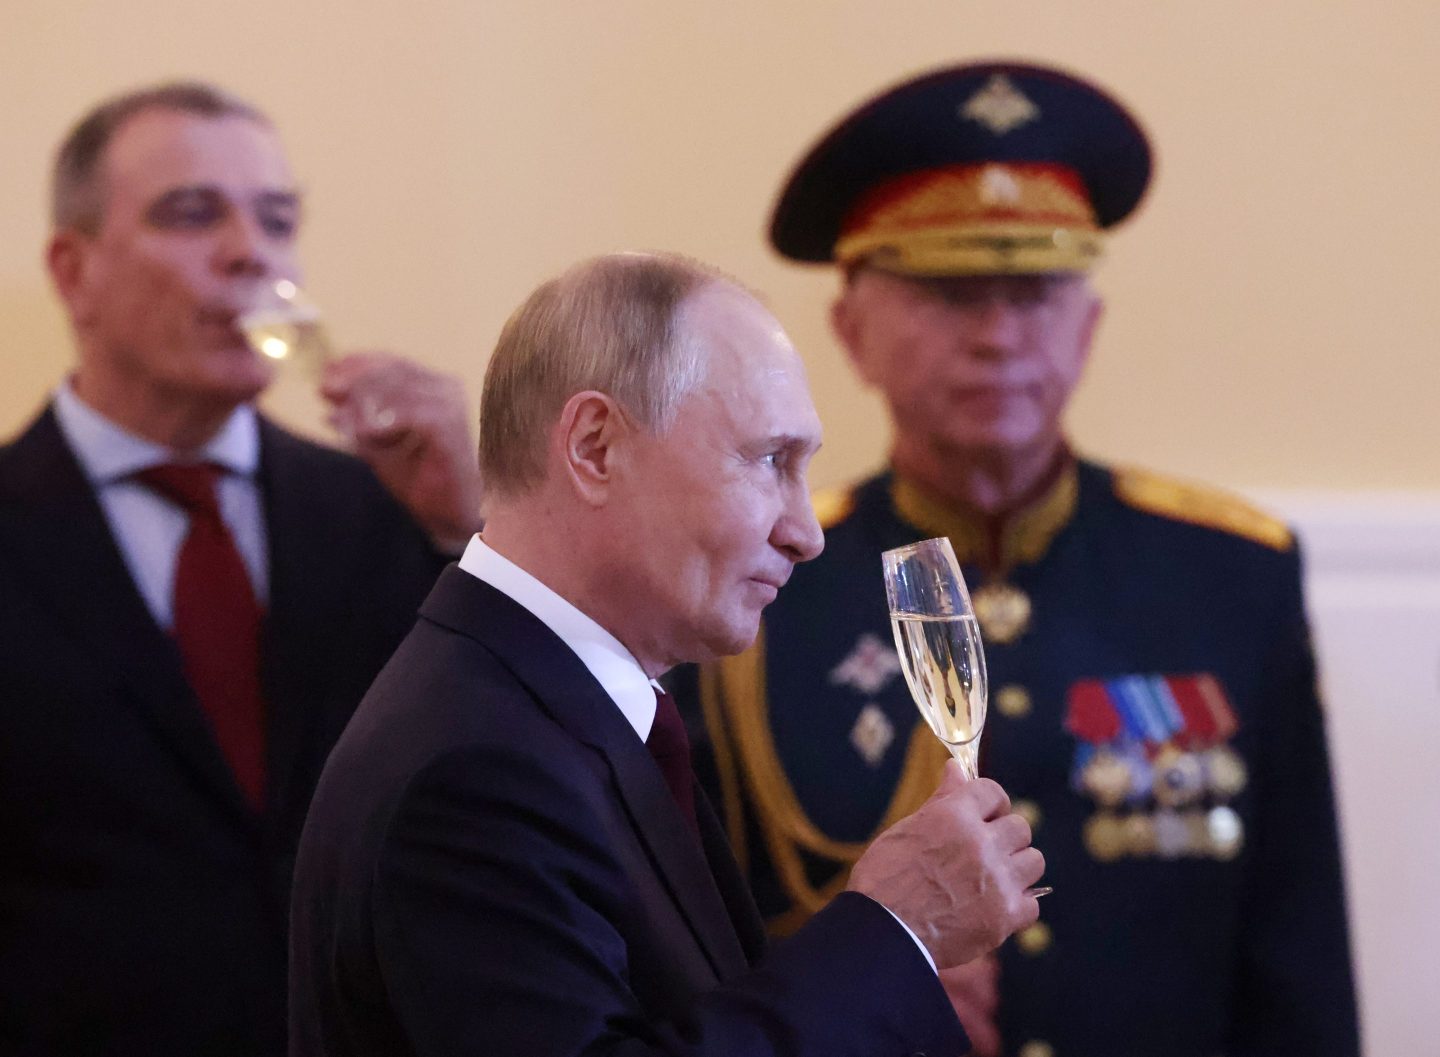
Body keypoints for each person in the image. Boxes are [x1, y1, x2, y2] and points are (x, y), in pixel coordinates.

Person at [675, 62, 1361, 1057]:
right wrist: (870, 982)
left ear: (1088, 327)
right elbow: (692, 963)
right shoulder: (762, 585)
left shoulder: (1230, 579)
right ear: (850, 331)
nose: (998, 337)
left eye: (1035, 292)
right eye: (949, 293)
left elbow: (1299, 970)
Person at [289, 252, 1047, 1057]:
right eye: (769, 460)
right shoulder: (475, 767)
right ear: (595, 447)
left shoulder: (547, 708)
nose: (806, 532)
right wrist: (896, 931)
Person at [0, 82, 483, 1055]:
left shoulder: (384, 512)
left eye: (277, 220)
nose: (250, 252)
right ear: (73, 270)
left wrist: (466, 531)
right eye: (192, 215)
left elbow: (498, 784)